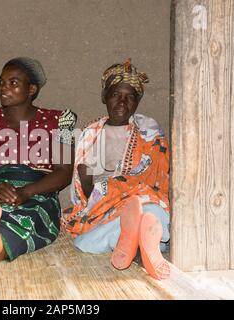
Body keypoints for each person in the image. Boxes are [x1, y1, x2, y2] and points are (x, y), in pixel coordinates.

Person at [0, 57, 77, 273]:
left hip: (38, 193)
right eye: (1, 82)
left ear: (32, 89)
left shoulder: (60, 121)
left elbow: (64, 173)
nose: (3, 88)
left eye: (13, 83)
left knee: (30, 217)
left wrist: (27, 192)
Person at [61, 58, 171, 280]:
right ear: (104, 97)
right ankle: (139, 244)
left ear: (138, 101)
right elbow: (86, 192)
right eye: (116, 95)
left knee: (152, 211)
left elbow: (156, 178)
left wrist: (129, 192)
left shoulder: (148, 131)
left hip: (143, 201)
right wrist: (99, 186)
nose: (122, 102)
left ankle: (133, 239)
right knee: (85, 242)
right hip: (106, 208)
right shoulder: (91, 135)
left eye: (130, 97)